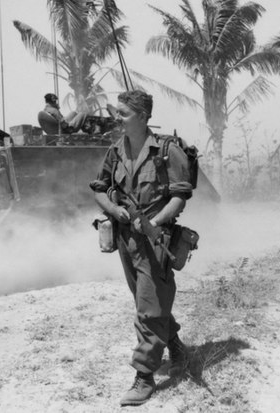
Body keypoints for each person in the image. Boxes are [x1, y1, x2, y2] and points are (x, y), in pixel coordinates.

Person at [89, 89, 193, 406]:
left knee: (148, 307)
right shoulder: (115, 151)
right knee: (145, 299)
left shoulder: (166, 149)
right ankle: (175, 345)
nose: (116, 118)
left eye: (123, 113)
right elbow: (99, 189)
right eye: (117, 112)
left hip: (154, 239)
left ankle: (144, 376)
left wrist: (157, 222)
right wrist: (113, 208)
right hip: (125, 238)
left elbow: (180, 194)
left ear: (143, 116)